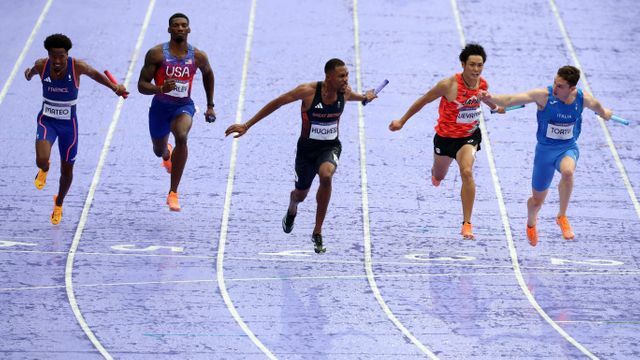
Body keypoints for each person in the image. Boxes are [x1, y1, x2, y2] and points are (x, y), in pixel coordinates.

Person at [225, 58, 376, 254]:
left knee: (327, 176)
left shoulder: (344, 92)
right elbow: (277, 103)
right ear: (328, 77)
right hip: (306, 151)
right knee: (300, 195)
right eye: (341, 76)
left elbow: (355, 96)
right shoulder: (308, 91)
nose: (346, 79)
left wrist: (366, 97)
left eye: (347, 75)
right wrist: (247, 125)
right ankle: (292, 208)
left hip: (330, 147)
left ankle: (317, 231)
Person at [478, 65, 613, 246]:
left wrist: (605, 114)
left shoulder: (583, 99)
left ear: (572, 88)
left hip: (567, 148)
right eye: (555, 83)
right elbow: (510, 99)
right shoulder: (544, 96)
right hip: (544, 153)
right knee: (536, 201)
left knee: (568, 172)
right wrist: (490, 97)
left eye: (560, 86)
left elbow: (600, 109)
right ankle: (531, 223)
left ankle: (562, 216)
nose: (555, 88)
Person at [389, 43, 503, 240]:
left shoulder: (483, 84)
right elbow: (423, 101)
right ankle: (436, 176)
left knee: (467, 171)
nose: (476, 70)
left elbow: (485, 101)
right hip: (444, 138)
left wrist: (495, 106)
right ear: (463, 64)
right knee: (439, 175)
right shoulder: (448, 85)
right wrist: (402, 121)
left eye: (480, 65)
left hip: (468, 137)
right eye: (472, 65)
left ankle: (467, 223)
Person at [24, 33, 128, 225]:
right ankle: (44, 169)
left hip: (68, 127)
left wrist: (115, 87)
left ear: (67, 54)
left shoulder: (77, 66)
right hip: (47, 121)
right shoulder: (42, 65)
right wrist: (29, 74)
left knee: (67, 172)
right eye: (53, 56)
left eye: (61, 56)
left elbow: (96, 75)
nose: (57, 60)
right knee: (41, 160)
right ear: (48, 54)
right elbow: (31, 72)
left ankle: (59, 203)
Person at [137, 13, 216, 211]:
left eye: (183, 25)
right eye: (176, 25)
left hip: (183, 106)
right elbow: (141, 85)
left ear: (188, 30)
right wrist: (160, 88)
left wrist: (210, 105)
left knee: (182, 136)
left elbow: (208, 74)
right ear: (169, 29)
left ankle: (173, 192)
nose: (180, 28)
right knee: (158, 150)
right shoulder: (156, 54)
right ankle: (166, 154)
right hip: (160, 108)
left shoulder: (198, 56)